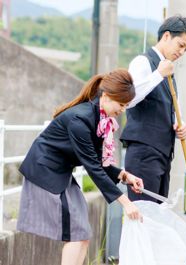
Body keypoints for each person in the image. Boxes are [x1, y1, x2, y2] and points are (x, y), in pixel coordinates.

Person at [17, 69, 144, 265]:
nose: (123, 110)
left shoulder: (100, 119)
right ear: (107, 96)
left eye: (126, 106)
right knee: (76, 234)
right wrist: (126, 203)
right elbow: (93, 167)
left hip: (61, 172)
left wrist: (125, 176)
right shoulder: (81, 119)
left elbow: (99, 162)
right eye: (121, 104)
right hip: (45, 171)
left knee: (82, 233)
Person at [120, 15, 186, 202]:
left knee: (157, 216)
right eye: (180, 45)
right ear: (166, 36)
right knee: (144, 215)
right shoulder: (143, 62)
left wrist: (179, 125)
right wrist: (158, 75)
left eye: (185, 49)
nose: (182, 52)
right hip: (143, 152)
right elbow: (128, 99)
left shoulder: (169, 72)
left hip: (162, 155)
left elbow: (167, 109)